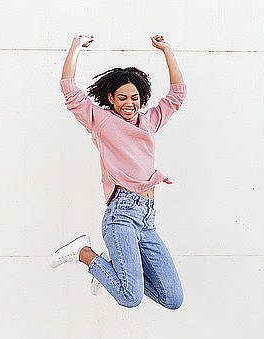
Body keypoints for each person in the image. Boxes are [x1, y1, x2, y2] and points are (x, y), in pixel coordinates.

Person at [49, 34, 186, 310]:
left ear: (141, 98)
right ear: (111, 98)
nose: (128, 103)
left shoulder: (149, 121)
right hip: (121, 215)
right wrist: (75, 47)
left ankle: (109, 270)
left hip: (147, 218)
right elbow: (69, 89)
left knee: (173, 298)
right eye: (122, 97)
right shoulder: (101, 121)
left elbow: (177, 94)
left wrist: (167, 50)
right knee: (129, 297)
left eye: (134, 98)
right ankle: (84, 254)